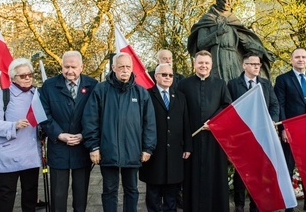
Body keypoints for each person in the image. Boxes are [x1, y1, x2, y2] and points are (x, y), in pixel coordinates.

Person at [82, 52, 157, 212]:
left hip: (133, 151)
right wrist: (93, 147)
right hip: (108, 151)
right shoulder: (100, 90)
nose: (125, 69)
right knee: (109, 190)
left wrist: (147, 148)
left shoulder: (141, 92)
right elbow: (90, 120)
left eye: (128, 66)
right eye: (121, 66)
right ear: (113, 67)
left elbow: (149, 122)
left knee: (132, 190)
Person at [39, 51, 98, 211]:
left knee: (81, 194)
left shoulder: (93, 85)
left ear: (81, 67)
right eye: (66, 67)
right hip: (59, 147)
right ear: (61, 66)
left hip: (82, 147)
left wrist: (84, 135)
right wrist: (59, 134)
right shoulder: (49, 86)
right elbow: (43, 114)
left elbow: (97, 115)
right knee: (58, 195)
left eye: (73, 67)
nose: (69, 71)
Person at [178, 50, 232, 212]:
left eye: (206, 63)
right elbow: (179, 109)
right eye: (200, 62)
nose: (203, 66)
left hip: (214, 140)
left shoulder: (220, 84)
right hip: (192, 138)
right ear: (194, 64)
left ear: (211, 65)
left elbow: (227, 106)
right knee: (192, 177)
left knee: (214, 176)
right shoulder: (184, 84)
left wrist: (214, 121)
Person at [274, 48, 306, 212]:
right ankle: (289, 206)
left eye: (303, 57)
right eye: (297, 57)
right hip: (290, 131)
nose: (300, 59)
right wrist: (283, 128)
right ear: (291, 60)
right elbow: (280, 105)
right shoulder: (283, 80)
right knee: (288, 168)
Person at [187, 0, 273, 82]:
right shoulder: (208, 19)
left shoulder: (232, 19)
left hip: (233, 58)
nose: (228, 3)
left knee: (237, 86)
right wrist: (217, 34)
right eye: (225, 0)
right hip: (217, 58)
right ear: (218, 0)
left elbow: (245, 40)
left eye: (230, 1)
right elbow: (201, 44)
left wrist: (262, 50)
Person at [0, 58, 41, 211]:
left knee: (30, 195)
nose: (28, 78)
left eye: (30, 74)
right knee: (6, 195)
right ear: (12, 78)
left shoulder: (36, 94)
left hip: (30, 155)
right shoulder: (2, 95)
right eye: (23, 76)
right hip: (8, 155)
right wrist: (13, 125)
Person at [227, 52, 279, 212]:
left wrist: (272, 120)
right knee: (241, 173)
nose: (257, 67)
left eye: (258, 65)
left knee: (259, 172)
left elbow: (275, 104)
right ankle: (240, 205)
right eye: (253, 64)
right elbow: (230, 108)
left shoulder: (265, 83)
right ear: (244, 65)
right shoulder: (233, 84)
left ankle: (256, 205)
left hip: (261, 135)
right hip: (241, 136)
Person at [140, 63, 192, 212]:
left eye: (170, 75)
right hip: (154, 153)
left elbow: (186, 123)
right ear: (156, 76)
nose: (167, 77)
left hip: (175, 153)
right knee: (153, 193)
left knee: (171, 195)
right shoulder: (147, 95)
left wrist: (188, 146)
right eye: (164, 74)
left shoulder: (180, 97)